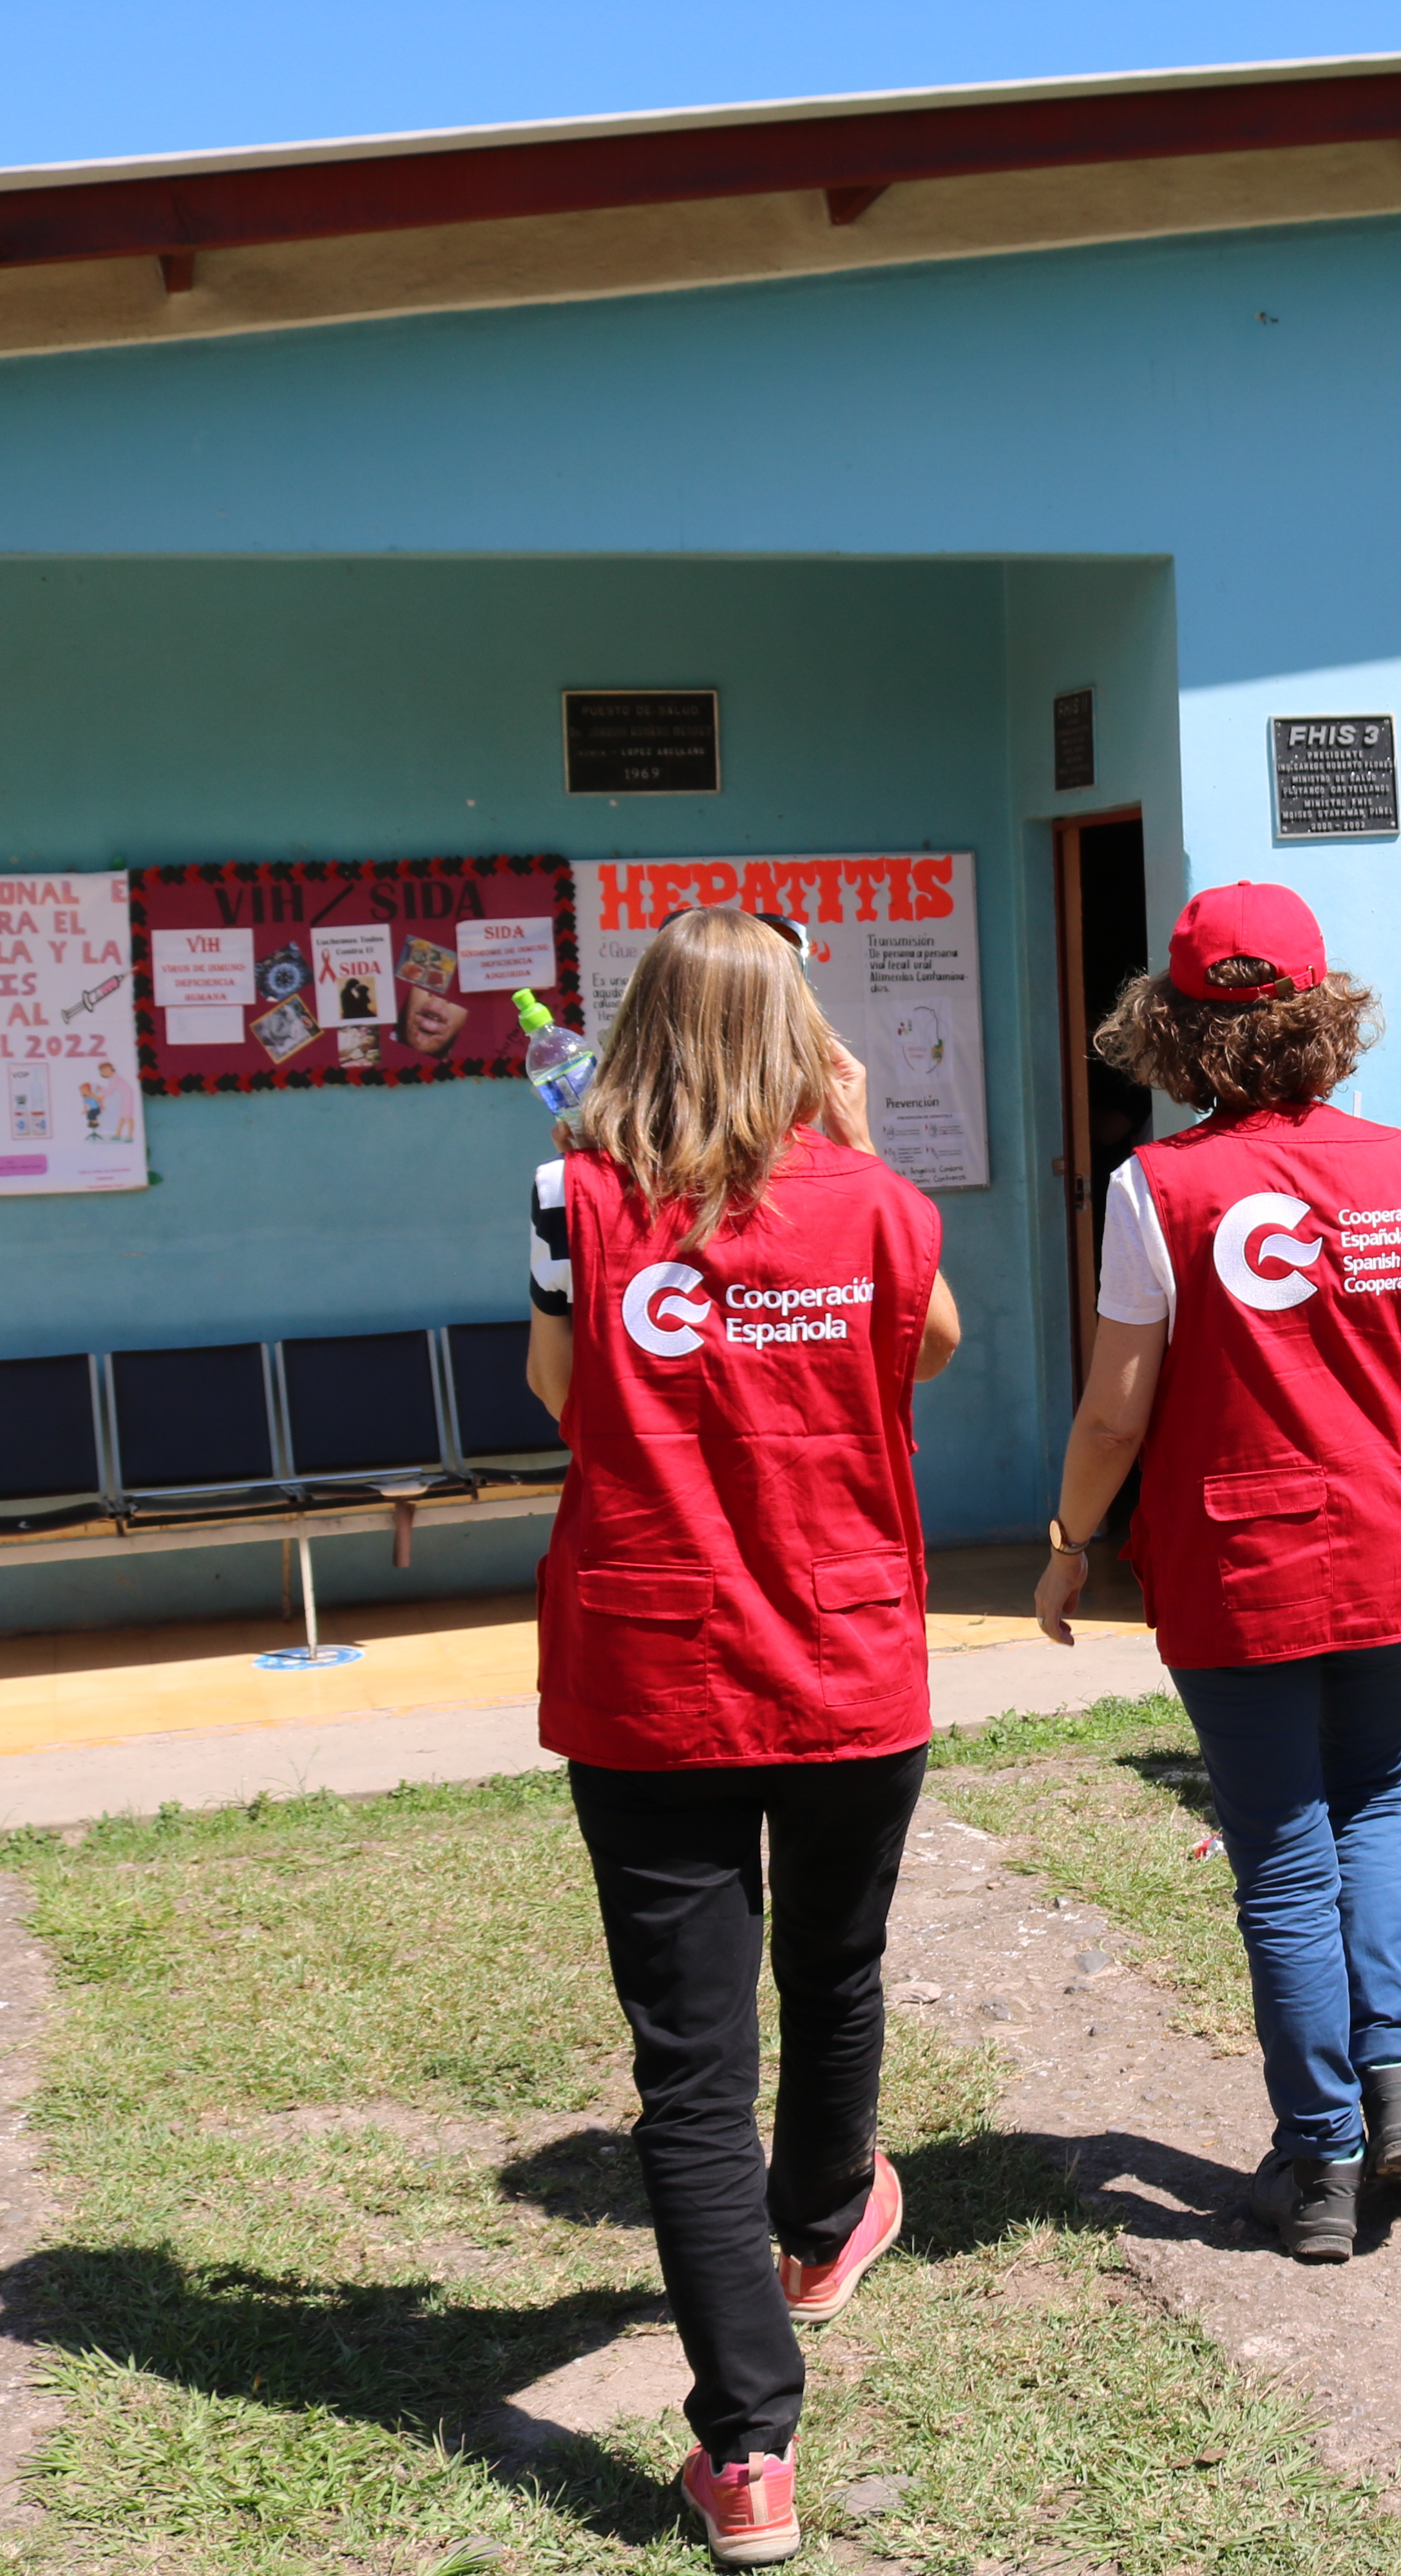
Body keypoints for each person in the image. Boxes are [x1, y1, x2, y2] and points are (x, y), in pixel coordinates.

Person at [524, 907, 963, 2567]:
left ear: (641, 1028)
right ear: (801, 1034)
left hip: (655, 1676)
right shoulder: (881, 1202)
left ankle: (750, 2450)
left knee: (691, 2074)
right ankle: (825, 2222)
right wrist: (845, 1143)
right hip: (846, 1660)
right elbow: (921, 1353)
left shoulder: (574, 1196)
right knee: (834, 1971)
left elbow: (560, 1395)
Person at [1031, 880, 1401, 2262]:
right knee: (1370, 1802)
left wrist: (1068, 1549)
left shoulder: (1156, 1187)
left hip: (1243, 1557)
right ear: (1322, 1015)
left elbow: (1117, 1413)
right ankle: (1397, 2084)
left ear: (1176, 1031)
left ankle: (1318, 2161)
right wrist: (1384, 1453)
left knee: (1285, 1860)